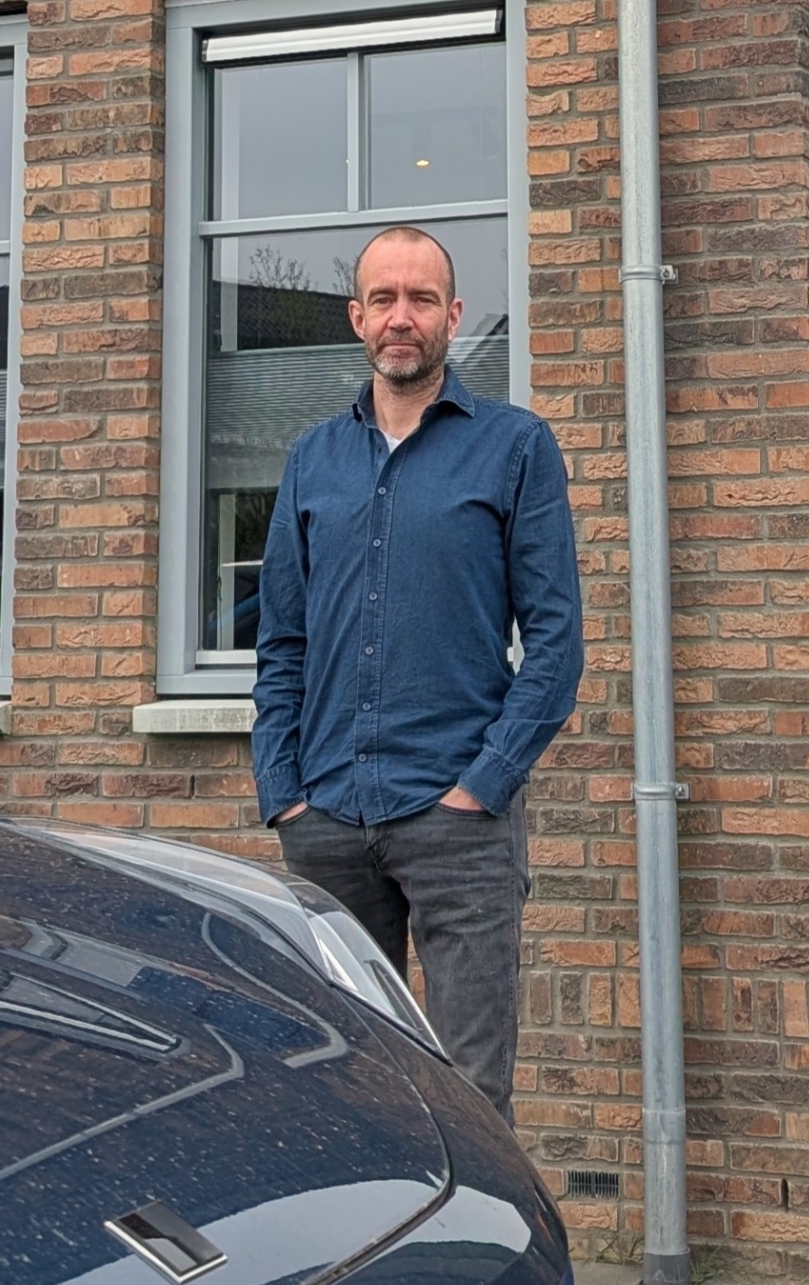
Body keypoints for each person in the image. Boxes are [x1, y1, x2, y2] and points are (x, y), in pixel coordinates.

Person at [251, 226, 583, 1121]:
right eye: (384, 299)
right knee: (341, 1088)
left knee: (471, 1099)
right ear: (357, 318)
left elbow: (556, 645)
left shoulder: (515, 447)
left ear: (454, 316)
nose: (403, 317)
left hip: (457, 824)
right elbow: (281, 641)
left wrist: (485, 786)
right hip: (326, 819)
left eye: (422, 299)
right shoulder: (312, 459)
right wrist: (283, 791)